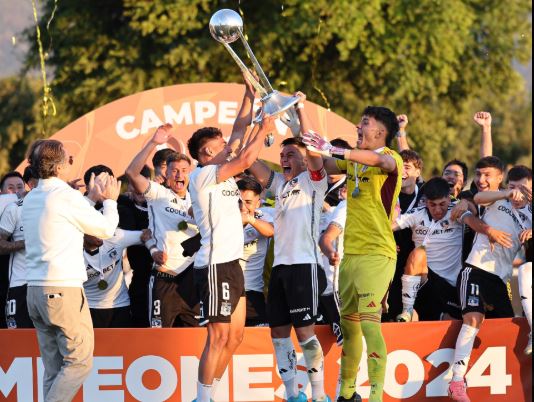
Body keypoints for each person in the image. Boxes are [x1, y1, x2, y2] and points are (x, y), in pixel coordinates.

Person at [303, 106, 403, 402]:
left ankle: (375, 396)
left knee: (371, 325)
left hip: (378, 254)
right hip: (351, 257)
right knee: (349, 328)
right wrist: (302, 117)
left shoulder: (391, 158)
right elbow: (318, 165)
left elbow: (377, 160)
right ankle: (346, 394)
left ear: (381, 132)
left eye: (365, 122)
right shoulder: (353, 163)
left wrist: (335, 149)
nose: (359, 126)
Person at [22, 139, 121, 402]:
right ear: (58, 166)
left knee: (54, 369)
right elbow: (106, 230)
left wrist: (89, 198)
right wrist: (109, 201)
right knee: (80, 363)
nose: (71, 163)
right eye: (70, 159)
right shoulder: (65, 197)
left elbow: (64, 215)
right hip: (62, 290)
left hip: (35, 291)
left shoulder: (33, 197)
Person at [187, 100, 271, 402]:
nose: (227, 147)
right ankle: (202, 398)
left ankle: (210, 394)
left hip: (232, 264)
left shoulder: (220, 170)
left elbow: (238, 131)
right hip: (214, 265)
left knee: (235, 336)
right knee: (218, 336)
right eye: (220, 146)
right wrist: (264, 128)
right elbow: (247, 155)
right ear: (206, 154)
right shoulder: (203, 175)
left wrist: (249, 94)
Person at [249, 95, 331, 402]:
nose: (284, 158)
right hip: (280, 269)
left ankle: (319, 395)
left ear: (303, 159)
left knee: (305, 333)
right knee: (278, 335)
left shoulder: (314, 182)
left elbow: (314, 152)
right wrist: (258, 128)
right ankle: (292, 394)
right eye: (282, 154)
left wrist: (300, 109)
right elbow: (252, 165)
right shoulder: (281, 186)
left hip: (304, 266)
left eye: (291, 154)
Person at [448, 162, 531, 401]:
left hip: (500, 280)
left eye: (523, 189)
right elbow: (479, 196)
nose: (518, 194)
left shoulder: (530, 215)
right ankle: (456, 381)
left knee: (507, 330)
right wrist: (506, 192)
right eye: (514, 188)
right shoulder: (498, 200)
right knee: (473, 320)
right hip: (475, 270)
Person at [392, 177, 510, 323]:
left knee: (450, 321)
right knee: (418, 253)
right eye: (432, 204)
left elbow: (472, 221)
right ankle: (407, 310)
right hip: (425, 280)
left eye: (442, 204)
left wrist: (489, 231)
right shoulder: (417, 213)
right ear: (425, 201)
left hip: (451, 285)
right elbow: (388, 227)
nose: (437, 210)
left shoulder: (456, 209)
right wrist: (387, 243)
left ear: (449, 197)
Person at [126, 126, 200, 328]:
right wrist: (153, 142)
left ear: (190, 173)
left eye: (184, 171)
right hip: (165, 277)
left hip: (192, 280)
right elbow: (131, 173)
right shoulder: (159, 194)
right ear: (166, 174)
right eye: (174, 170)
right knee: (159, 340)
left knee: (195, 340)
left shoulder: (200, 198)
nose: (179, 175)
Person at [383, 149, 424, 322]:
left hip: (417, 263)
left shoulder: (425, 193)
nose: (402, 171)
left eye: (406, 167)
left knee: (416, 311)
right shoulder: (385, 191)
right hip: (389, 257)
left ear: (418, 172)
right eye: (398, 167)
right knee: (388, 311)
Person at [83, 228, 148, 328]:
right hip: (88, 307)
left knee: (122, 343)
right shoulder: (71, 248)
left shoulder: (114, 236)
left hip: (120, 305)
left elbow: (147, 235)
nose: (98, 231)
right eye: (92, 227)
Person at [117, 167, 153, 327]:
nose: (138, 189)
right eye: (133, 184)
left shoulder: (160, 203)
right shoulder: (123, 205)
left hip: (164, 277)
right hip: (139, 278)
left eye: (141, 184)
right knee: (139, 321)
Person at [237, 177, 274, 327]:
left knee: (261, 338)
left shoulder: (263, 216)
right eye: (239, 201)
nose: (242, 206)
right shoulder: (224, 216)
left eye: (248, 202)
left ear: (258, 203)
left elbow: (271, 231)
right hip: (227, 290)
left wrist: (250, 220)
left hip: (254, 291)